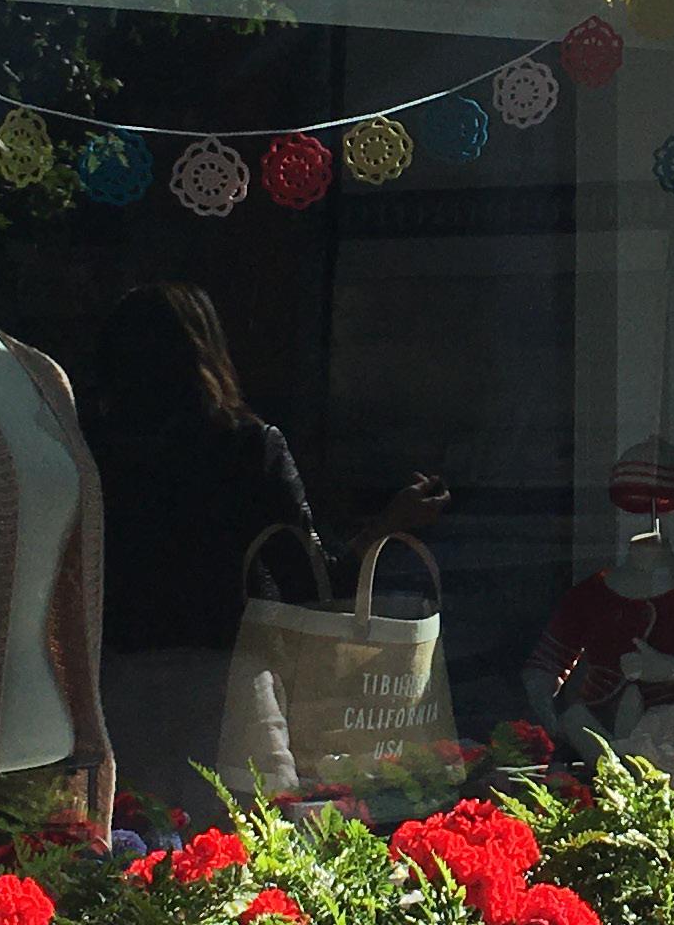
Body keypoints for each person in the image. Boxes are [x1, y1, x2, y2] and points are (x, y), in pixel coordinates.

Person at [86, 283, 444, 820]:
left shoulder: (90, 451)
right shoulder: (245, 447)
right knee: (245, 842)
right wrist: (390, 524)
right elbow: (310, 583)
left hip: (115, 681)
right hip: (229, 679)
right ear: (206, 352)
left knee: (130, 836)